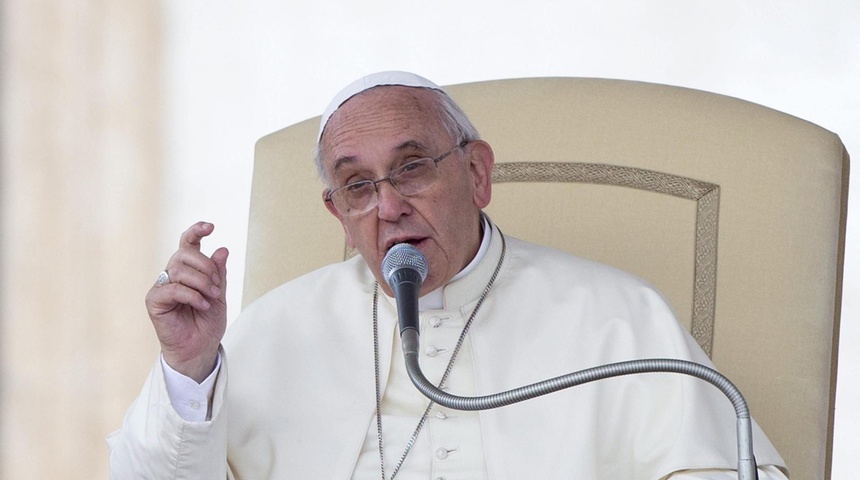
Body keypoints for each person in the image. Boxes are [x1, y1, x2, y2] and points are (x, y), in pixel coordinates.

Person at [108, 72, 789, 479]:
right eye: (357, 186)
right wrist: (190, 369)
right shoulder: (275, 329)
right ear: (338, 214)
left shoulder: (617, 316)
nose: (390, 205)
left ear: (477, 173)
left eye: (411, 167)